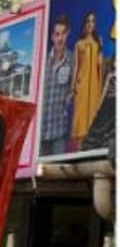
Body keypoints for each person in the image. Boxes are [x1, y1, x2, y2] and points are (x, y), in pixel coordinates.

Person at [41, 14, 75, 156]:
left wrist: (71, 96)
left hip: (59, 129)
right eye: (57, 34)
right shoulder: (42, 60)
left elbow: (76, 86)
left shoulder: (73, 60)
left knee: (57, 173)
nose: (60, 38)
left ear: (67, 35)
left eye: (63, 34)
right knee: (38, 176)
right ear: (52, 37)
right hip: (41, 131)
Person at [72, 10, 105, 148]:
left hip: (95, 86)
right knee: (81, 115)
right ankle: (80, 147)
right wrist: (73, 87)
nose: (90, 24)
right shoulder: (79, 44)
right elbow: (76, 66)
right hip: (82, 85)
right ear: (84, 24)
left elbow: (101, 67)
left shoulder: (98, 44)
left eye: (93, 21)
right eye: (88, 21)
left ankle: (92, 145)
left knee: (93, 114)